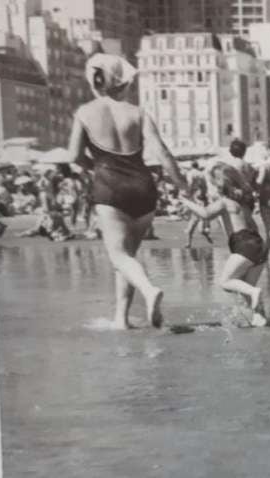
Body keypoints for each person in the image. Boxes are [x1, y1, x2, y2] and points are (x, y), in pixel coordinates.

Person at [67, 53, 189, 329]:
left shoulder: (85, 113)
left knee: (118, 256)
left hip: (111, 188)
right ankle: (121, 319)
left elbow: (73, 155)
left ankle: (148, 290)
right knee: (127, 258)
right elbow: (162, 152)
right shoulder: (139, 113)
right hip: (144, 188)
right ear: (122, 83)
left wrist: (94, 167)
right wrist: (183, 185)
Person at [180, 163, 270, 326]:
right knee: (245, 292)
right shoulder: (244, 202)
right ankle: (260, 319)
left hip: (244, 244)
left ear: (219, 184)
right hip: (258, 245)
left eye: (211, 184)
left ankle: (255, 293)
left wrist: (185, 201)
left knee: (226, 282)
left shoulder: (225, 202)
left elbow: (205, 214)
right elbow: (253, 226)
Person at [184, 161, 213, 248]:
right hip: (201, 198)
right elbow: (205, 187)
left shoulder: (190, 173)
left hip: (194, 198)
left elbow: (190, 184)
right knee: (199, 220)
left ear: (191, 166)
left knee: (192, 223)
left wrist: (188, 193)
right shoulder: (202, 174)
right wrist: (204, 195)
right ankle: (204, 232)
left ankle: (189, 242)